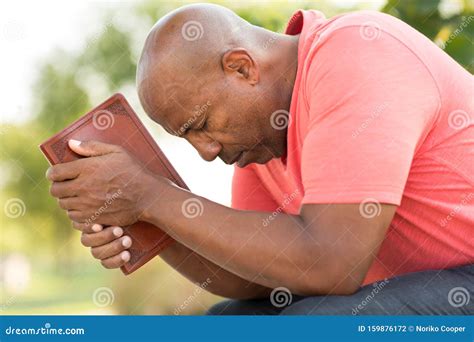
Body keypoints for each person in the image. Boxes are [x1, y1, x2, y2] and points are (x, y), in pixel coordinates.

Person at [45, 3, 473, 314]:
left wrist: (151, 196)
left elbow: (331, 263)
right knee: (228, 321)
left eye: (201, 124)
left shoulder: (357, 54)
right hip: (417, 283)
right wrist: (150, 223)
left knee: (319, 325)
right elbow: (254, 279)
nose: (207, 151)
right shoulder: (264, 136)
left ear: (242, 68)